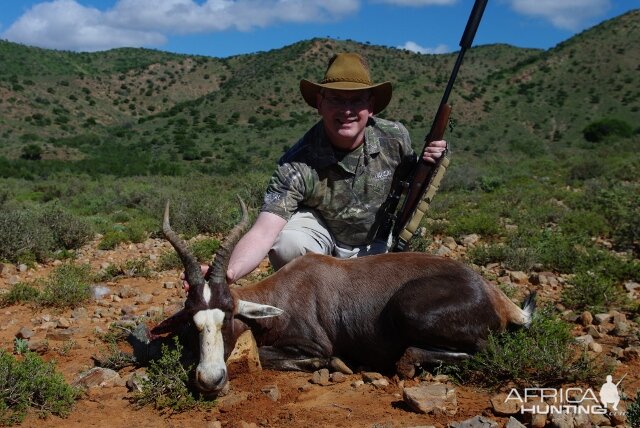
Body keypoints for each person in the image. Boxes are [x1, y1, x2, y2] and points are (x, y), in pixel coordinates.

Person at [186, 52, 446, 288]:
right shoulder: (296, 163)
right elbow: (264, 230)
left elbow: (413, 183)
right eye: (336, 99)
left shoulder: (396, 137)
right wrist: (229, 272)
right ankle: (317, 303)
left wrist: (432, 159)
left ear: (371, 106)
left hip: (375, 244)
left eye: (356, 100)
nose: (346, 110)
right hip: (322, 248)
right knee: (287, 244)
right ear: (320, 103)